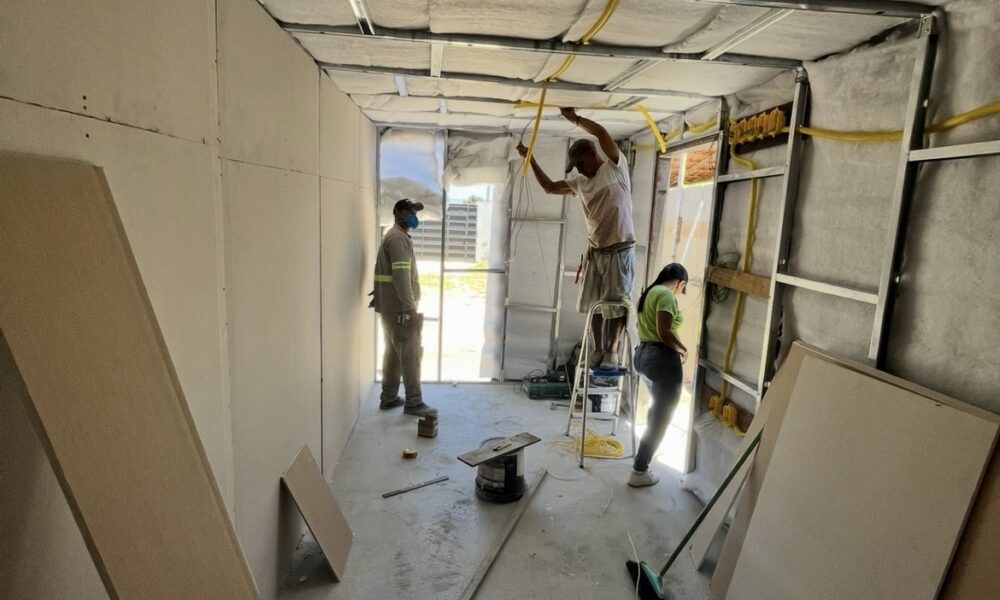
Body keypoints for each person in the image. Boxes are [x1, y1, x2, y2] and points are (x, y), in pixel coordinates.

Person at [517, 107, 636, 371]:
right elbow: (549, 187)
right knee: (593, 304)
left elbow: (602, 133)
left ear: (593, 155)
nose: (579, 170)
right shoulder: (580, 183)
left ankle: (612, 351)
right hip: (596, 251)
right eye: (576, 167)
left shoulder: (616, 168)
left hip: (620, 249)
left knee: (616, 304)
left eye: (581, 164)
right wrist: (530, 159)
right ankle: (597, 349)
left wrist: (575, 119)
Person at [371, 199, 437, 417]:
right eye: (410, 212)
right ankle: (414, 402)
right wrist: (410, 309)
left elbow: (387, 273)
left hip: (390, 307)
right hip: (400, 309)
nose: (413, 216)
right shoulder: (398, 239)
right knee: (410, 355)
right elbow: (400, 277)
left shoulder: (393, 236)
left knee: (392, 353)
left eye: (415, 212)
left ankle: (388, 397)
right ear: (397, 214)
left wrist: (381, 295)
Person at [628, 263, 689, 487]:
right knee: (661, 418)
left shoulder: (649, 293)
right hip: (661, 358)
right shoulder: (666, 295)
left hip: (642, 355)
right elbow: (664, 332)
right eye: (683, 289)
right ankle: (639, 471)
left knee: (656, 412)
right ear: (681, 283)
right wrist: (683, 349)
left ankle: (642, 459)